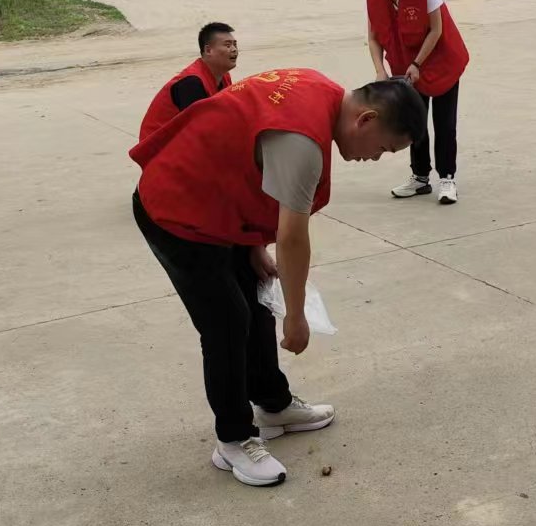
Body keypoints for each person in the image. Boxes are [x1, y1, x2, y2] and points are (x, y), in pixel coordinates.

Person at [131, 70, 426, 488]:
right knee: (227, 322)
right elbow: (291, 238)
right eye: (382, 148)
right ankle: (233, 440)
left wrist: (251, 242)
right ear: (366, 119)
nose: (375, 158)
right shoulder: (303, 142)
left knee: (254, 297)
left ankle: (273, 405)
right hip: (176, 208)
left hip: (216, 201)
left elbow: (246, 147)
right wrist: (296, 317)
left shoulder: (318, 89)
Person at [364, 0, 470, 204]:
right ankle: (420, 178)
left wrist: (418, 64)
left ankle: (447, 178)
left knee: (444, 124)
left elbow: (436, 30)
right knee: (415, 122)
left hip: (440, 63)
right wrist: (380, 69)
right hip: (406, 69)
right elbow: (374, 36)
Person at [138, 21, 239, 139]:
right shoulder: (191, 83)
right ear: (208, 50)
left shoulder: (224, 76)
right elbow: (199, 131)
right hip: (158, 148)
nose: (234, 50)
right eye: (227, 45)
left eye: (235, 45)